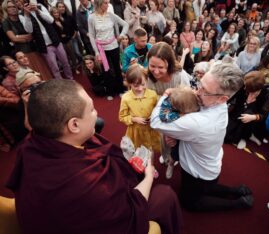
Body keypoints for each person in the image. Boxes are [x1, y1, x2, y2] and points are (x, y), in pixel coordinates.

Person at [7, 79, 183, 234]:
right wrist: (148, 176)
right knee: (164, 195)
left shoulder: (33, 141)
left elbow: (30, 123)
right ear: (74, 124)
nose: (97, 114)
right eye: (91, 109)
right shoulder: (87, 185)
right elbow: (129, 212)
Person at [151, 63, 254, 211]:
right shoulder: (217, 104)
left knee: (190, 203)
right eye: (200, 84)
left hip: (197, 172)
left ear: (222, 99)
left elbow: (156, 122)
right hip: (207, 165)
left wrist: (166, 95)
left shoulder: (200, 123)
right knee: (206, 188)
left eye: (204, 90)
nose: (197, 91)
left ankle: (238, 204)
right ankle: (237, 191)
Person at [147, 42, 191, 179]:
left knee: (174, 141)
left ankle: (172, 162)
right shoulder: (149, 77)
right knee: (162, 139)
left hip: (179, 113)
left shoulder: (180, 75)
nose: (155, 71)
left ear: (169, 64)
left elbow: (187, 101)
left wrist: (166, 98)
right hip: (160, 113)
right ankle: (167, 158)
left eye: (161, 67)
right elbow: (150, 98)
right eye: (152, 66)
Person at [21, 0, 73, 80]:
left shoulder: (40, 7)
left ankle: (71, 79)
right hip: (45, 46)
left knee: (65, 63)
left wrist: (38, 10)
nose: (31, 4)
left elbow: (51, 20)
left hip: (56, 41)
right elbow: (29, 30)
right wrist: (27, 15)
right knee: (54, 68)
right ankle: (61, 85)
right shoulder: (22, 14)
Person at [88, 0, 129, 97]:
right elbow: (91, 36)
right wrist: (96, 52)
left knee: (117, 69)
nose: (108, 5)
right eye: (105, 3)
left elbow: (125, 24)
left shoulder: (111, 15)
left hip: (114, 46)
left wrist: (122, 35)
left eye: (108, 2)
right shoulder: (91, 18)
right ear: (99, 4)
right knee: (105, 71)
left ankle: (120, 90)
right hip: (101, 48)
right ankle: (110, 92)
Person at [225, 71, 269, 149]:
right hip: (238, 113)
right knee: (226, 136)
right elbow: (231, 100)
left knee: (248, 114)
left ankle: (244, 137)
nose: (244, 88)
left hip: (253, 120)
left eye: (247, 87)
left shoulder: (266, 94)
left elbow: (264, 115)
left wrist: (252, 117)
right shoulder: (245, 85)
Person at [119, 64, 160, 151]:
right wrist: (134, 119)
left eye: (143, 84)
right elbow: (122, 117)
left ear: (147, 80)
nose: (140, 88)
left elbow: (158, 109)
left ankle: (150, 163)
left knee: (151, 149)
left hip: (151, 128)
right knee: (139, 150)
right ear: (129, 83)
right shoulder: (126, 98)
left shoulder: (152, 94)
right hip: (136, 131)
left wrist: (153, 115)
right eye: (136, 86)